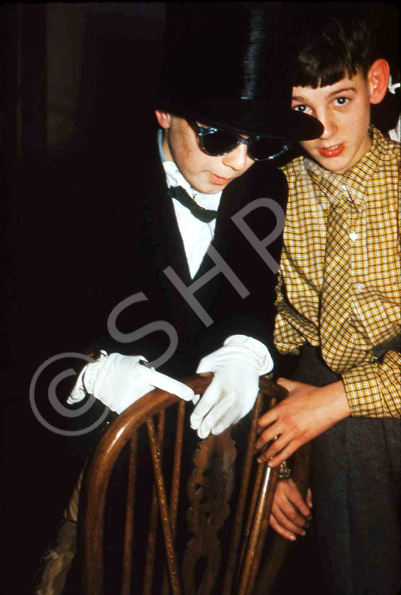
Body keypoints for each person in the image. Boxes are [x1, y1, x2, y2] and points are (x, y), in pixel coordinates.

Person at [31, 4, 323, 593]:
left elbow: (251, 295)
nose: (238, 163)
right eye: (218, 136)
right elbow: (27, 340)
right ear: (165, 110)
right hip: (91, 480)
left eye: (260, 143)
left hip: (207, 486)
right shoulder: (71, 189)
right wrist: (90, 373)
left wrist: (245, 348)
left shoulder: (266, 184)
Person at [255, 6, 400, 595]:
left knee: (344, 410)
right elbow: (259, 345)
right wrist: (272, 468)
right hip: (328, 392)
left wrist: (337, 400)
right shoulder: (270, 194)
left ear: (376, 83)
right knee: (334, 412)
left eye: (340, 100)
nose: (325, 131)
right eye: (300, 112)